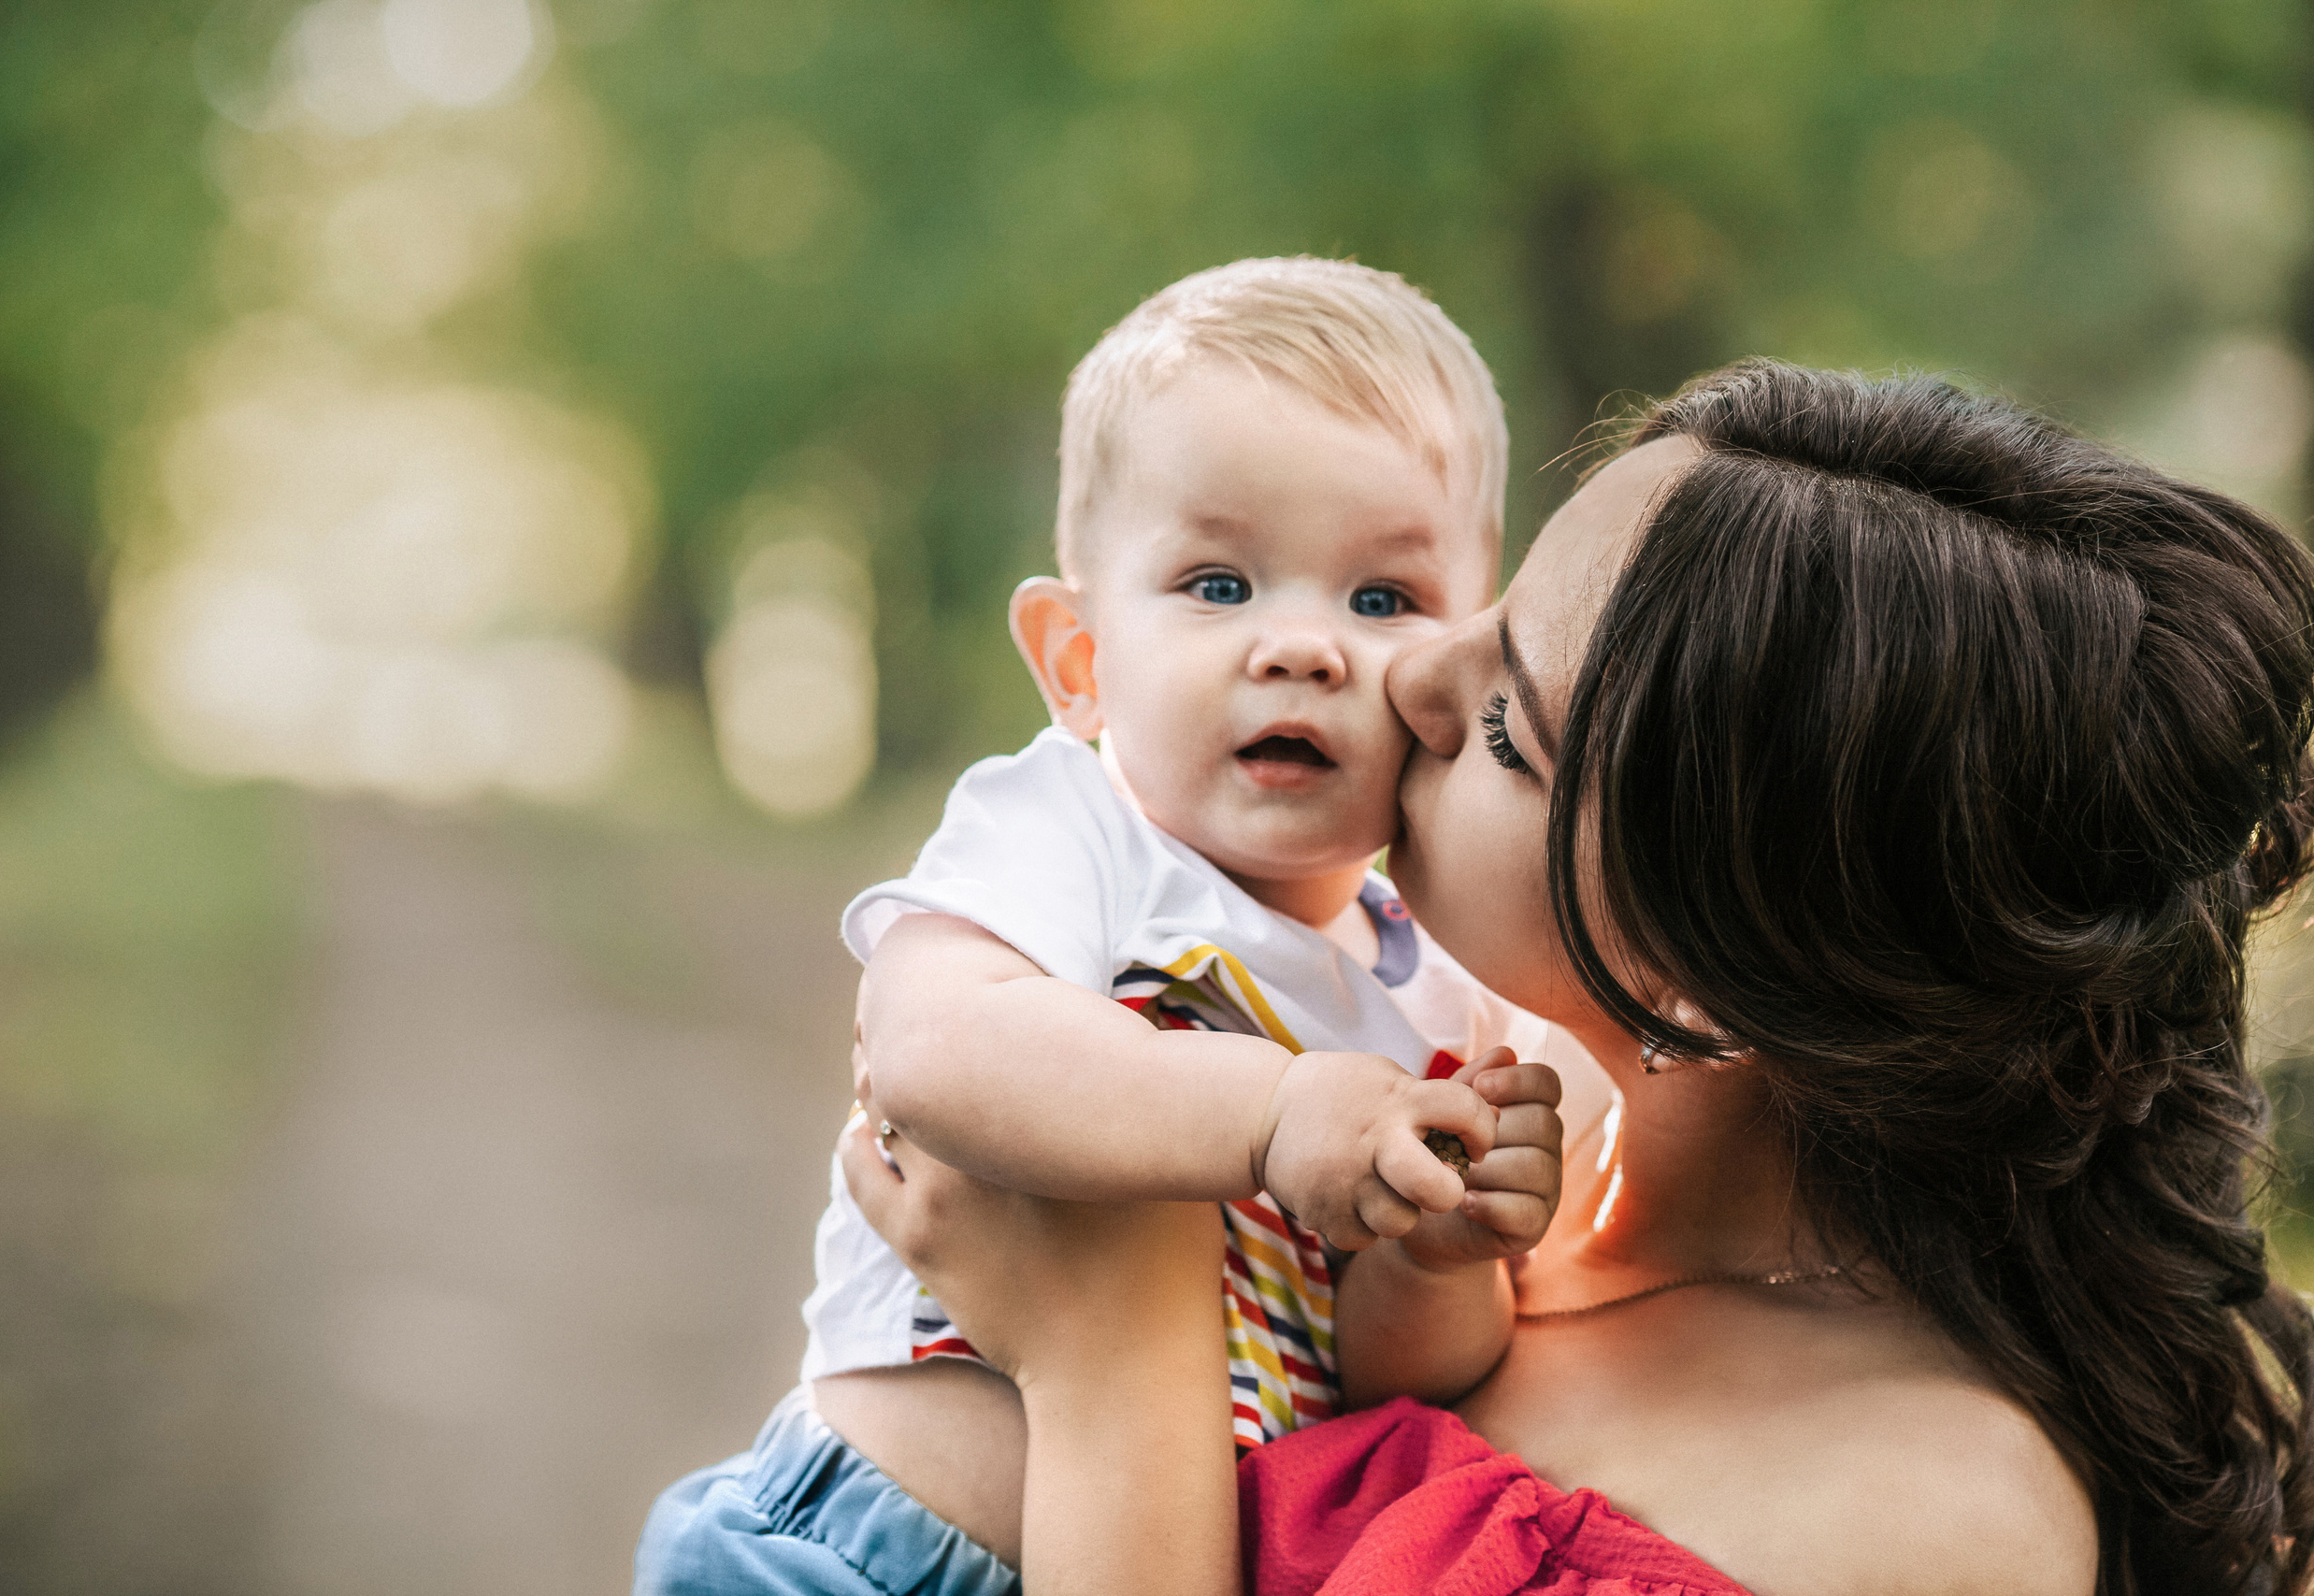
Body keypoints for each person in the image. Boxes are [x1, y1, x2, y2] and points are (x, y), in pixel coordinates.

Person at [845, 359, 2314, 1596]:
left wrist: (1111, 1360)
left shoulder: (1907, 1523)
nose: (1411, 678)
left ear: (1715, 974)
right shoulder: (1465, 1138)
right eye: (1482, 614)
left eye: (1508, 730)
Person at [635, 257, 1593, 1596]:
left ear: (1455, 670)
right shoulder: (1070, 830)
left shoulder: (1443, 995)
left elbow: (1389, 1383)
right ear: (1080, 663)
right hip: (861, 1546)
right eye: (1218, 585)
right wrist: (1273, 1112)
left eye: (1382, 601)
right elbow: (933, 1049)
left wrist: (1439, 1253)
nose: (1304, 647)